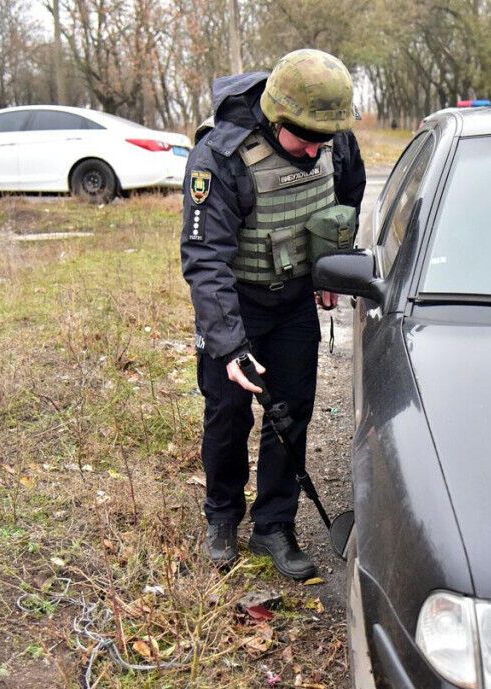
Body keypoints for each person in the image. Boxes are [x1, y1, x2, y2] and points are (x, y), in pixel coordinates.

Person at [181, 49, 366, 580]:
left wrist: (328, 269)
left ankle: (274, 526)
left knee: (292, 413)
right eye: (304, 140)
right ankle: (222, 517)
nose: (314, 151)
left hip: (292, 306)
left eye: (322, 141)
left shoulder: (333, 137)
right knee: (228, 414)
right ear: (275, 117)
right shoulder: (221, 158)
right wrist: (230, 344)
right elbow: (205, 257)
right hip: (235, 303)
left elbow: (347, 200)